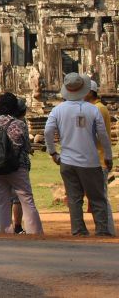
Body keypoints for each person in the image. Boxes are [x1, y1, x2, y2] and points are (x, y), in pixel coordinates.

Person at [44, 73, 113, 236]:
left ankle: (79, 230)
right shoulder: (92, 109)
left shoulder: (57, 110)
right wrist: (108, 156)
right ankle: (102, 230)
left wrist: (53, 152)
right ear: (84, 89)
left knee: (74, 199)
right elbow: (103, 135)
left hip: (67, 160)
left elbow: (47, 131)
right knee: (97, 198)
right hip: (89, 161)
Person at [0, 92, 43, 234]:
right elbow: (26, 146)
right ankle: (34, 231)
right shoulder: (19, 124)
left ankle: (6, 231)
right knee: (26, 198)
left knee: (3, 200)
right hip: (18, 166)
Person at [85, 80, 116, 235]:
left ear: (90, 92)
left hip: (99, 159)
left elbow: (98, 136)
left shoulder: (97, 109)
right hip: (95, 158)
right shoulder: (97, 108)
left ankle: (107, 230)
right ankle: (103, 228)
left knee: (101, 198)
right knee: (97, 198)